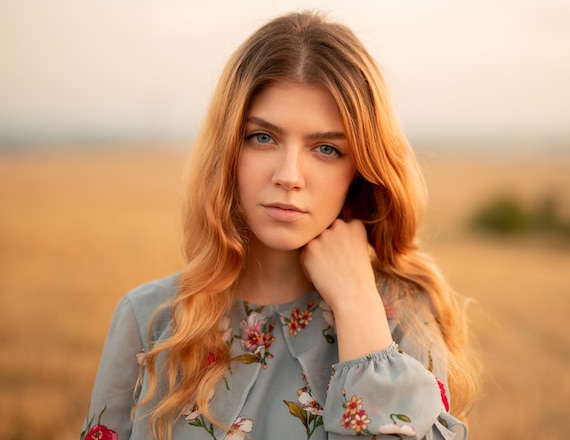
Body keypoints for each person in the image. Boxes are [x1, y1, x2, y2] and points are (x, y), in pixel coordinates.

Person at [81, 10, 479, 440]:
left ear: (360, 169)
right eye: (263, 137)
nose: (289, 175)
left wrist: (357, 306)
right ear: (229, 149)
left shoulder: (402, 317)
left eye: (326, 148)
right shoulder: (150, 320)